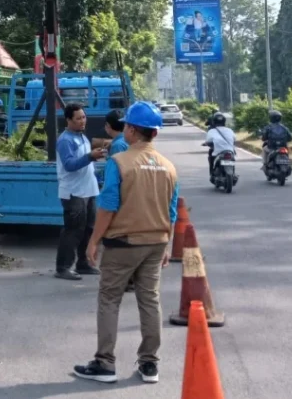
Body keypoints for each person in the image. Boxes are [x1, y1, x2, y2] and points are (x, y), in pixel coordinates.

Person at [74, 101, 179, 385]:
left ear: (131, 130)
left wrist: (94, 240)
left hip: (123, 243)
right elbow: (171, 211)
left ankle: (105, 363)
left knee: (109, 299)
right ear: (155, 133)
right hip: (156, 242)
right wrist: (167, 244)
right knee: (150, 300)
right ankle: (150, 364)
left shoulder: (119, 162)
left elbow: (108, 205)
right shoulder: (169, 167)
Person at [55, 103, 106, 281]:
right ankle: (63, 267)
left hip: (88, 190)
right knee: (73, 230)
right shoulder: (65, 140)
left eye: (84, 117)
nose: (83, 121)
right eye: (78, 118)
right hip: (73, 192)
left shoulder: (82, 136)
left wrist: (92, 160)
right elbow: (69, 165)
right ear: (68, 120)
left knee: (88, 229)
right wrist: (90, 156)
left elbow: (85, 162)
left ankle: (83, 264)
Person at [202, 112, 236, 177]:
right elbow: (234, 139)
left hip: (217, 152)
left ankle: (212, 173)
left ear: (214, 121)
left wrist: (206, 143)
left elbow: (208, 141)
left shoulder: (211, 131)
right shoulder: (230, 130)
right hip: (230, 151)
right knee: (232, 160)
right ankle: (233, 173)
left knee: (211, 157)